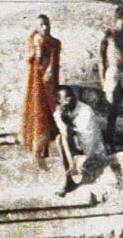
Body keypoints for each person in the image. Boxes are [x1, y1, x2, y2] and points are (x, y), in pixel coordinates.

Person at [20, 14, 61, 163]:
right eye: (41, 25)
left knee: (51, 114)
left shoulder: (55, 42)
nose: (45, 28)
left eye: (46, 24)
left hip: (50, 84)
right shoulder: (35, 40)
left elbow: (53, 65)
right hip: (36, 84)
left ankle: (47, 148)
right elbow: (29, 58)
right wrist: (32, 36)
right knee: (37, 114)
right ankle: (38, 151)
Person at [98, 3, 123, 148]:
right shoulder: (109, 34)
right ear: (122, 16)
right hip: (114, 73)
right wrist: (103, 80)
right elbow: (101, 59)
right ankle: (110, 144)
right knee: (113, 112)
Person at [53, 86, 105, 193]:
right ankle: (69, 180)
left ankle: (81, 174)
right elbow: (64, 137)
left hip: (90, 149)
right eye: (64, 100)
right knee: (59, 140)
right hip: (73, 148)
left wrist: (81, 161)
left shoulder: (85, 111)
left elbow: (89, 141)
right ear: (59, 102)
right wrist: (71, 163)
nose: (68, 101)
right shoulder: (58, 113)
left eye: (69, 97)